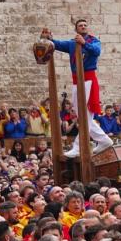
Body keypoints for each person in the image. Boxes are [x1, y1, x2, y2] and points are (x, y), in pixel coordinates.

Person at [41, 19, 113, 157]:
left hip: (88, 80)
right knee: (82, 115)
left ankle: (79, 146)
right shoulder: (71, 43)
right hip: (76, 81)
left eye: (85, 25)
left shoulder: (93, 41)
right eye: (80, 25)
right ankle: (104, 140)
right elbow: (56, 44)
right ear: (76, 29)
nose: (83, 27)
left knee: (86, 116)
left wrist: (84, 43)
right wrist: (49, 38)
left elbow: (97, 51)